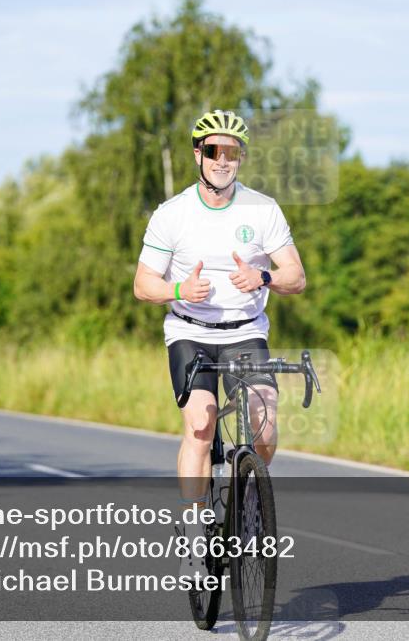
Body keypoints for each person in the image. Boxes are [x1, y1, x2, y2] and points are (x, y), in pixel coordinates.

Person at [133, 109, 307, 579]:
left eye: (232, 151)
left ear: (241, 157)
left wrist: (264, 277)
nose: (223, 160)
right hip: (190, 332)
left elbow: (296, 276)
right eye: (214, 150)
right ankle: (194, 533)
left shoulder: (263, 209)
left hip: (245, 331)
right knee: (202, 422)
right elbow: (143, 285)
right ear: (198, 155)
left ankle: (248, 501)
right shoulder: (172, 214)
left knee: (264, 422)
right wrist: (178, 290)